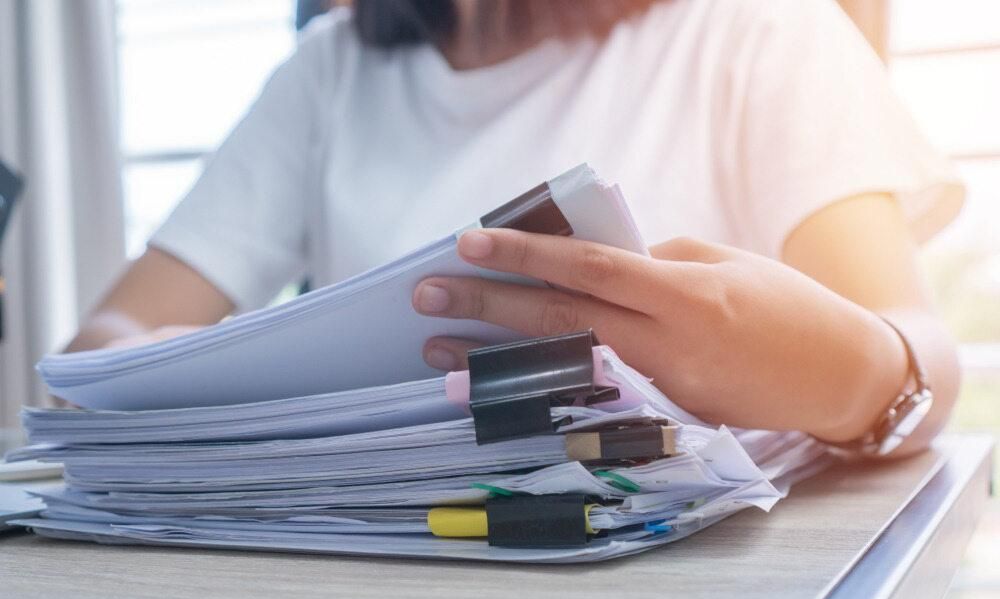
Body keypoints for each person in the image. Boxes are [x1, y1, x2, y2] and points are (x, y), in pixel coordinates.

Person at [67, 0, 964, 456]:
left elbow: (922, 352)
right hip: (380, 587)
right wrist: (208, 368)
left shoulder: (756, 32)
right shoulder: (327, 76)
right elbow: (98, 350)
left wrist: (826, 370)